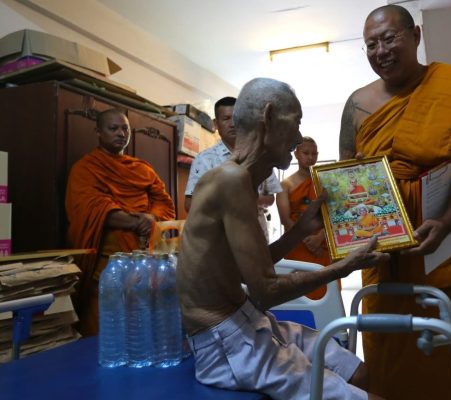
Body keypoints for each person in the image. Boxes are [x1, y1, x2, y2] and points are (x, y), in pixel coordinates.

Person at [177, 78, 390, 400]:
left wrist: (300, 230)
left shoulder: (239, 179)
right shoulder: (230, 180)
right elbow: (265, 291)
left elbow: (247, 270)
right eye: (296, 122)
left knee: (359, 372)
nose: (299, 137)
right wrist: (344, 267)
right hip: (225, 341)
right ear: (269, 117)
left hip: (249, 319)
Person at [338, 5, 451, 398]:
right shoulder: (357, 104)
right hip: (383, 245)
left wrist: (446, 222)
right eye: (371, 44)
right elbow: (347, 175)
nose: (381, 51)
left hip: (446, 234)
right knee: (389, 339)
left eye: (389, 39)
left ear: (415, 35)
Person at [65, 109, 176, 336]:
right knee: (105, 334)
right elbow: (93, 209)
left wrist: (152, 218)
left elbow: (164, 203)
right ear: (98, 131)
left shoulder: (142, 169)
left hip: (147, 265)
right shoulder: (85, 168)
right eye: (113, 128)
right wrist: (139, 221)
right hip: (108, 269)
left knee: (146, 332)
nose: (121, 133)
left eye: (125, 128)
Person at [184, 96, 281, 241]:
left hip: (257, 238)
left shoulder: (261, 157)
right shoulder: (204, 160)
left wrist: (248, 199)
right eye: (226, 119)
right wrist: (229, 202)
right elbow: (189, 204)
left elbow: (270, 198)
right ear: (216, 124)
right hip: (219, 241)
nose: (233, 124)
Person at [276, 136, 331, 299]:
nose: (310, 157)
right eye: (305, 153)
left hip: (323, 243)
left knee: (327, 291)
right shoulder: (285, 184)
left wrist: (319, 238)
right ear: (296, 154)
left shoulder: (326, 182)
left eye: (314, 154)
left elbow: (333, 213)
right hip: (296, 243)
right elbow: (285, 219)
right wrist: (309, 241)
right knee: (299, 293)